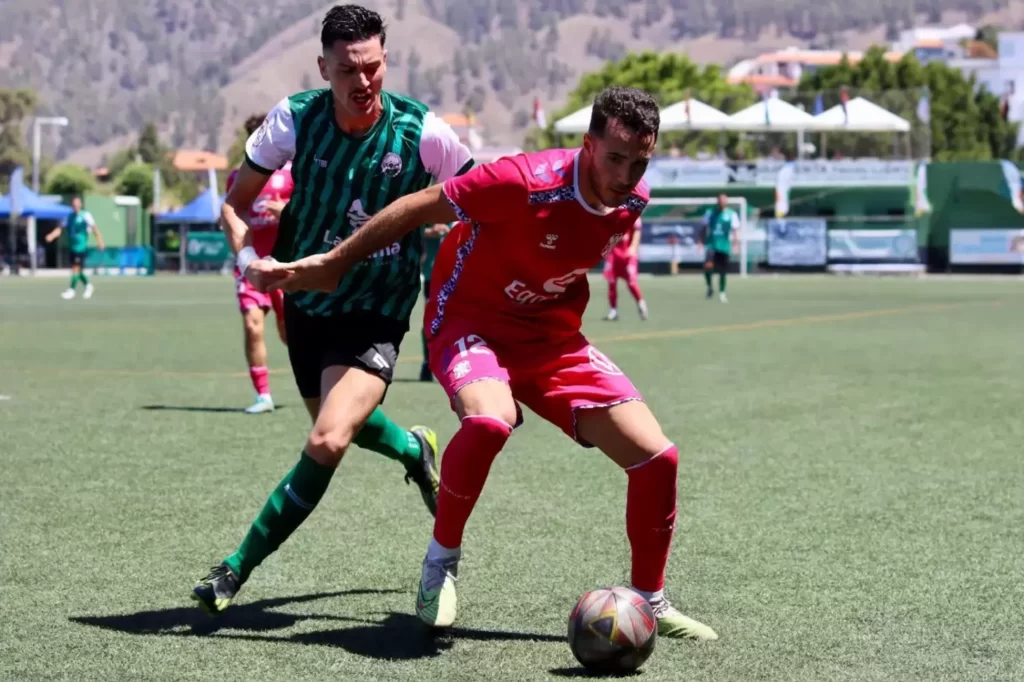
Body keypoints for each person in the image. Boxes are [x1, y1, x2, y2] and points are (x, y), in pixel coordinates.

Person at [262, 85, 718, 640]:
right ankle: (439, 567)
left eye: (639, 161)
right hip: (467, 325)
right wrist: (335, 262)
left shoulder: (634, 199)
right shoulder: (520, 181)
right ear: (588, 145)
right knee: (488, 420)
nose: (626, 174)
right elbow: (417, 207)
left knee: (657, 458)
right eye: (615, 157)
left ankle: (650, 600)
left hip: (551, 340)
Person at [191, 4, 474, 615]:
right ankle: (413, 448)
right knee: (340, 424)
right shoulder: (293, 121)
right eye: (348, 69)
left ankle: (233, 570)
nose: (363, 82)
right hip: (306, 302)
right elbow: (236, 204)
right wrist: (248, 266)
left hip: (376, 307)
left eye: (372, 67)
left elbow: (479, 204)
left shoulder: (422, 133)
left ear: (385, 62)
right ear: (324, 67)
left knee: (327, 437)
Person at [223, 114, 293, 415]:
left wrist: (285, 211)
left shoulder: (293, 174)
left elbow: (311, 212)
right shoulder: (238, 178)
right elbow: (231, 213)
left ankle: (316, 379)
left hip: (285, 262)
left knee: (288, 330)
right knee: (252, 325)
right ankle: (263, 395)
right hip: (251, 263)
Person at [45, 197, 105, 299]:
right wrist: (51, 235)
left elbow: (95, 228)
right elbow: (60, 229)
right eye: (73, 205)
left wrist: (100, 241)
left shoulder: (85, 215)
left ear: (80, 205)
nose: (75, 207)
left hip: (81, 247)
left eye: (77, 205)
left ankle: (71, 290)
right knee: (78, 270)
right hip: (72, 247)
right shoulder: (69, 217)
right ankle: (88, 286)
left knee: (76, 269)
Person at [419, 222, 451, 381]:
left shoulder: (461, 207)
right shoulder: (428, 206)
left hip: (456, 275)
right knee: (431, 320)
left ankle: (453, 364)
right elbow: (412, 228)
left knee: (454, 321)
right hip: (432, 274)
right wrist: (430, 231)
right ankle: (427, 363)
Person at [602, 216, 647, 321]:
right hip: (613, 253)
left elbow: (637, 231)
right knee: (612, 282)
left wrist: (633, 247)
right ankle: (613, 310)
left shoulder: (633, 212)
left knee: (631, 282)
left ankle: (641, 303)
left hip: (627, 253)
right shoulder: (612, 211)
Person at [701, 194, 738, 303]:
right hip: (711, 244)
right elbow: (703, 228)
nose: (722, 202)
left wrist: (736, 245)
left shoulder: (732, 214)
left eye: (724, 200)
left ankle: (722, 292)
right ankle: (710, 288)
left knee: (722, 270)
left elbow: (735, 230)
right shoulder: (710, 213)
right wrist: (700, 241)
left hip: (724, 245)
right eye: (720, 200)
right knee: (708, 266)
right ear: (718, 201)